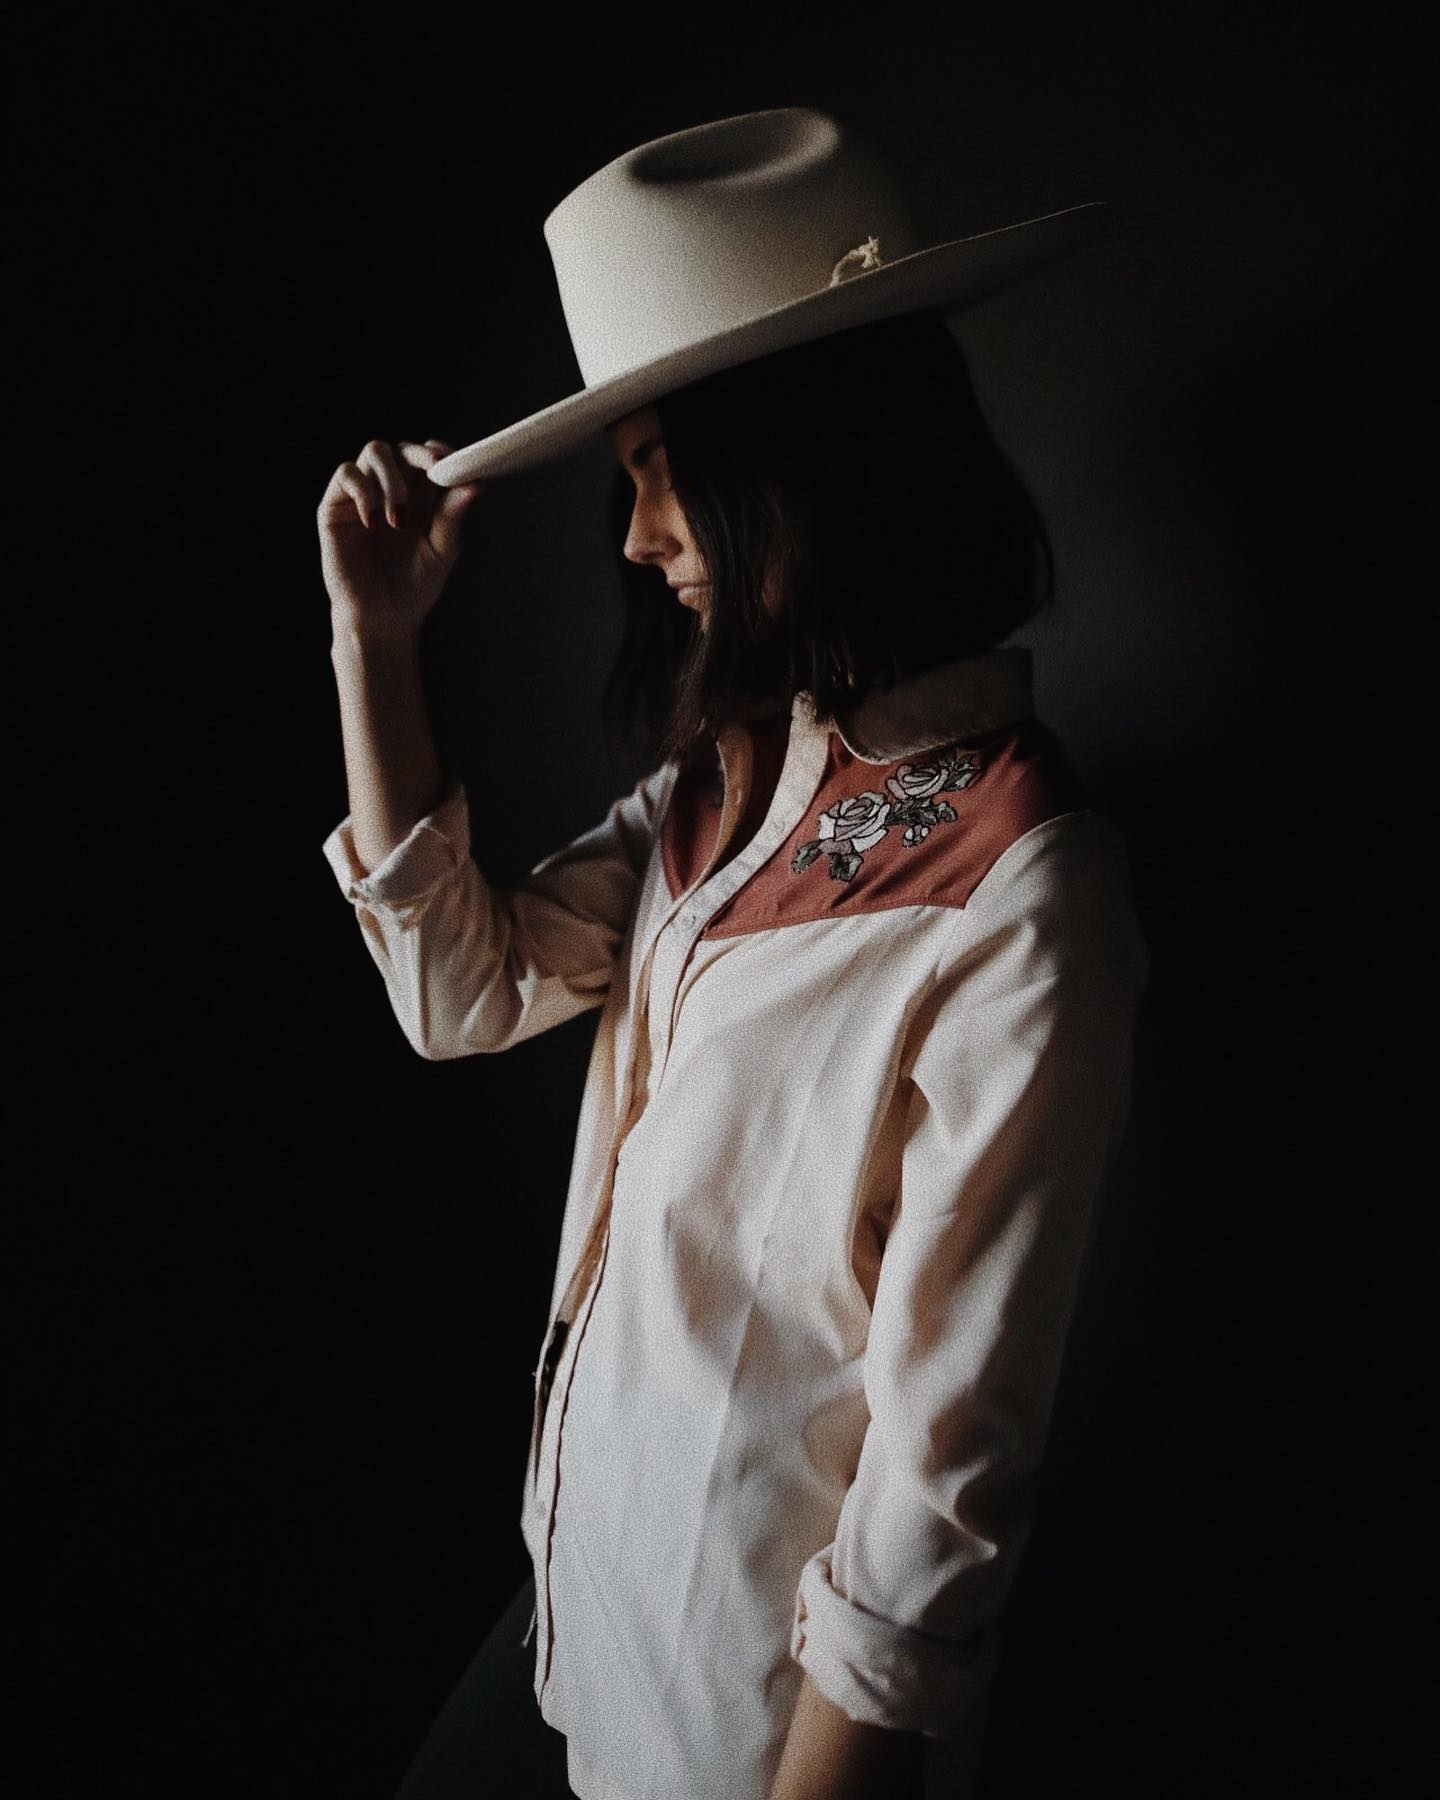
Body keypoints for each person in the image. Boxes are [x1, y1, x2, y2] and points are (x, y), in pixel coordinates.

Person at [317, 109, 1149, 1800]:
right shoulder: (721, 790)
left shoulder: (1019, 885)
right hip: (568, 1609)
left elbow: (942, 1483)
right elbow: (461, 995)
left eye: (655, 468)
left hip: (733, 1726)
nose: (636, 538)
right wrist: (374, 643)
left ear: (801, 454)